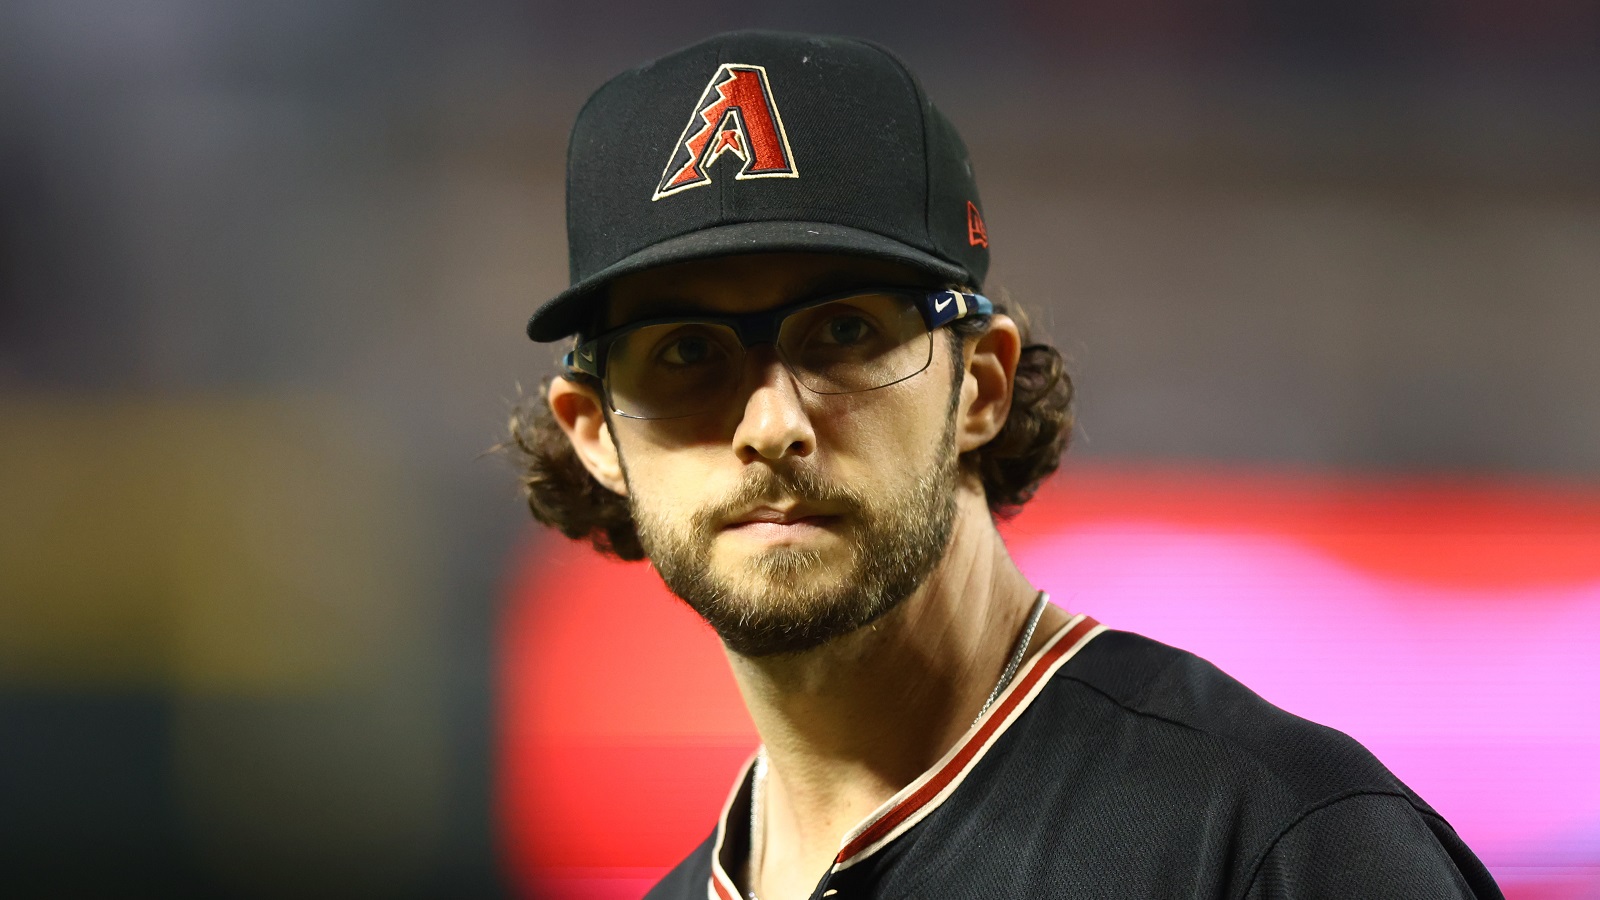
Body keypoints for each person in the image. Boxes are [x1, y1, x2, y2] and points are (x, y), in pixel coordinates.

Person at [506, 29, 1503, 900]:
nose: (772, 423)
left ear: (978, 384)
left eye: (843, 331)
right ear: (595, 432)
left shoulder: (1276, 844)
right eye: (685, 353)